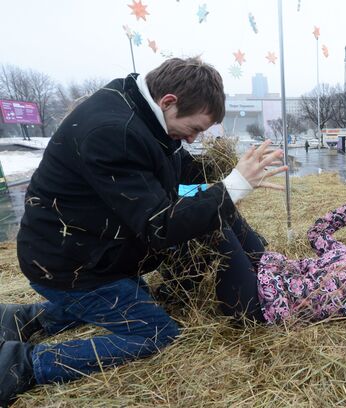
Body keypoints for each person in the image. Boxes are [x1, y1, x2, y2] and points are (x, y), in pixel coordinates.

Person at [0, 57, 288, 404]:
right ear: (169, 101)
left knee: (131, 298)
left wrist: (224, 174)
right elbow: (160, 227)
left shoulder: (139, 110)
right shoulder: (114, 133)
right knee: (153, 330)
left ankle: (25, 318)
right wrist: (233, 188)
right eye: (195, 129)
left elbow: (171, 170)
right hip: (68, 263)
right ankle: (20, 364)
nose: (194, 138)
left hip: (90, 244)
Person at [206, 202, 346, 359]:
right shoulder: (344, 252)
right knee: (225, 209)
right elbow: (316, 234)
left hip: (256, 301)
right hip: (267, 267)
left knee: (215, 223)